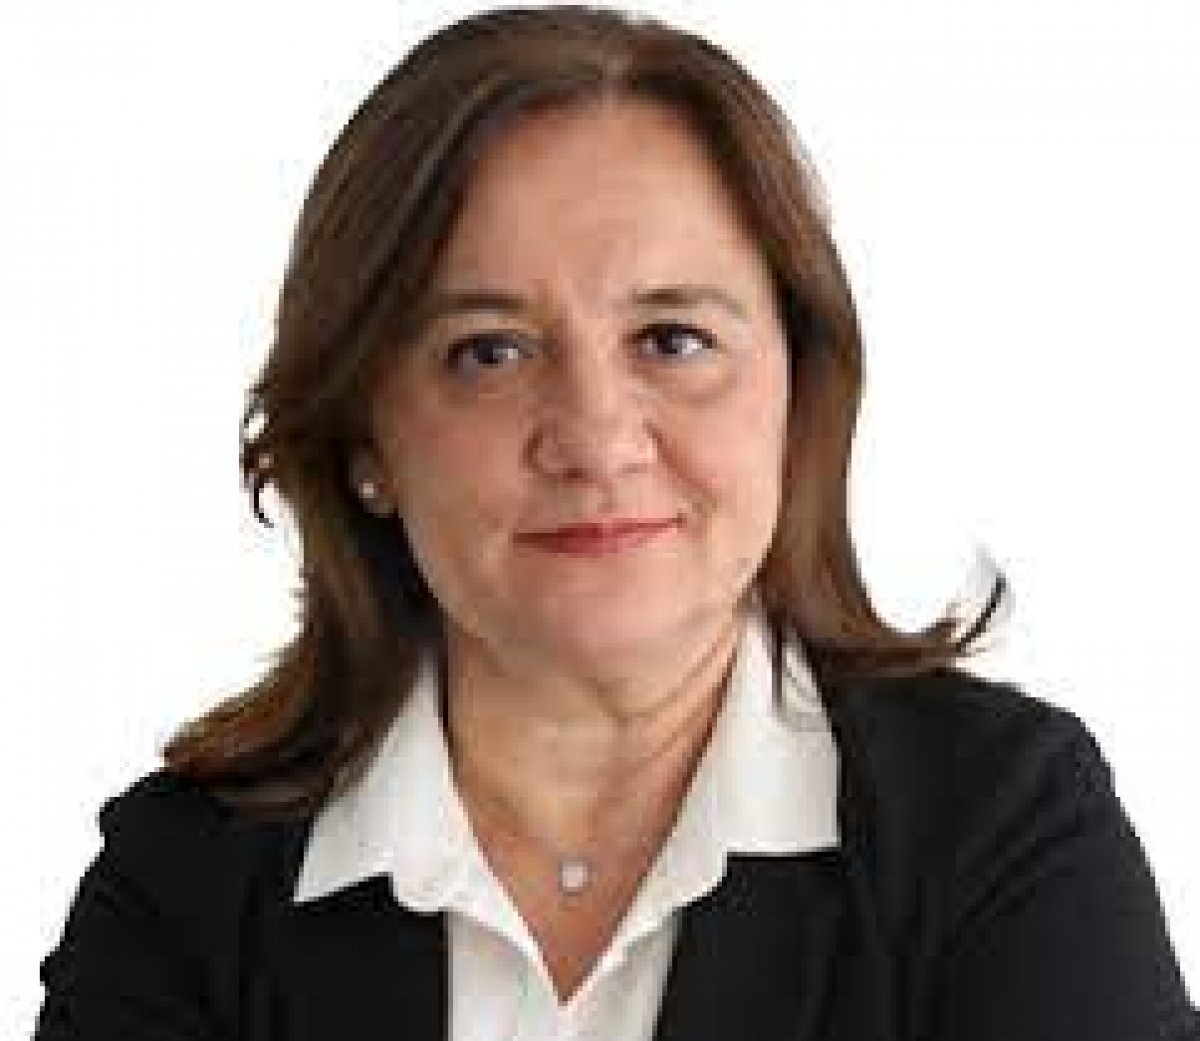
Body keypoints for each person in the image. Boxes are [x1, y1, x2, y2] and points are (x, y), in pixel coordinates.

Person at [34, 5, 1198, 1040]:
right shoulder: (186, 881)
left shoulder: (997, 824)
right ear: (364, 441)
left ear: (797, 395)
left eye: (672, 340)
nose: (595, 437)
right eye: (489, 353)